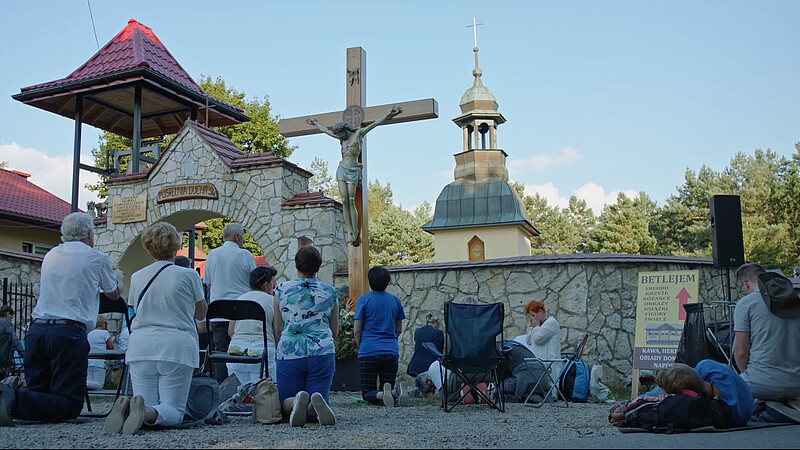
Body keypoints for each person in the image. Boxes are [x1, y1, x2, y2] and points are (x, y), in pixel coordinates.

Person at [0, 212, 121, 426]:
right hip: (67, 332)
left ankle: (12, 394)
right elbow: (113, 293)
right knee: (70, 404)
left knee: (40, 394)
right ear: (90, 234)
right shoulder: (96, 258)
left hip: (37, 330)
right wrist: (117, 275)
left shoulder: (52, 255)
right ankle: (11, 397)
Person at [106, 221, 207, 434]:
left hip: (141, 346)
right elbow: (201, 313)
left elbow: (134, 308)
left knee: (145, 401)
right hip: (175, 346)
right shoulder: (188, 275)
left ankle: (130, 411)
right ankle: (142, 413)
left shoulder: (137, 276)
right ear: (176, 245)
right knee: (174, 410)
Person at [306, 105, 401, 245]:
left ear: (344, 130)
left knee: (350, 200)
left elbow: (375, 123)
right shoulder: (341, 139)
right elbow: (325, 131)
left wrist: (389, 114)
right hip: (342, 169)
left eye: (340, 134)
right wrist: (315, 122)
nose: (338, 137)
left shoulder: (358, 134)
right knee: (344, 200)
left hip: (353, 169)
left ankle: (355, 231)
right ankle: (349, 230)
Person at [273, 245, 338, 427]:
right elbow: (334, 330)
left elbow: (278, 327)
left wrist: (283, 348)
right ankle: (313, 407)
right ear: (319, 266)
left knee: (282, 403)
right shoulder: (330, 292)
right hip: (321, 351)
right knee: (318, 400)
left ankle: (295, 402)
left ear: (297, 265)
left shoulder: (281, 290)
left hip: (290, 351)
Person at [609, 360, 754, 427]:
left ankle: (632, 405)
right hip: (702, 385)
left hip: (697, 393)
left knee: (667, 389)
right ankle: (633, 405)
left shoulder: (718, 411)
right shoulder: (708, 367)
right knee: (678, 379)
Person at [734, 264, 800, 402]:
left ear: (745, 284)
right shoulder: (795, 301)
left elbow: (740, 352)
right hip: (797, 385)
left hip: (760, 384)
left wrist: (748, 373)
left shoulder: (746, 304)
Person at [203, 222, 256, 383]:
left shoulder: (212, 254)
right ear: (237, 236)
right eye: (243, 237)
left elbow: (208, 284)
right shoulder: (245, 254)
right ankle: (241, 384)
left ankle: (222, 386)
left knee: (220, 351)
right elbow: (255, 281)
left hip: (218, 311)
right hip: (240, 311)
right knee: (241, 350)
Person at [354, 266, 407, 406]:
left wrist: (361, 344)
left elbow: (357, 330)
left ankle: (387, 394)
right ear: (387, 282)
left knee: (367, 392)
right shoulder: (395, 300)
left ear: (370, 281)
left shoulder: (364, 300)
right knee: (386, 385)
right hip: (390, 351)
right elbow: (399, 329)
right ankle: (396, 392)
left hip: (369, 350)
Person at [227, 266, 278, 383]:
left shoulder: (239, 300)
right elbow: (277, 331)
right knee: (263, 395)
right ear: (266, 285)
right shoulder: (272, 301)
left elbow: (231, 331)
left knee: (239, 395)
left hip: (236, 351)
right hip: (263, 351)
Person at [514, 300, 563, 376]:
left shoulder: (551, 323)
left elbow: (538, 339)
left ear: (540, 312)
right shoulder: (541, 325)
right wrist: (533, 328)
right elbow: (529, 340)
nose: (532, 318)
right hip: (539, 365)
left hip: (550, 365)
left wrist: (536, 326)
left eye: (533, 315)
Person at [86, 315, 114, 390]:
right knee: (99, 384)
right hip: (100, 362)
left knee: (90, 382)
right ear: (103, 324)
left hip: (89, 361)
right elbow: (111, 346)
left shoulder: (89, 333)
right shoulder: (104, 333)